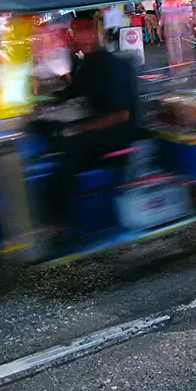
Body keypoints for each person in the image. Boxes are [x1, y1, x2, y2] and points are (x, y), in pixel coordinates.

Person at [41, 13, 139, 236]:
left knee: (69, 151)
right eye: (77, 30)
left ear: (97, 32)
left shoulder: (112, 66)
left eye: (87, 29)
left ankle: (59, 224)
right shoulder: (86, 62)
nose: (81, 35)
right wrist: (40, 103)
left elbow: (120, 115)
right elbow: (71, 92)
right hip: (95, 123)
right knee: (48, 132)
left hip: (116, 133)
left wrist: (78, 128)